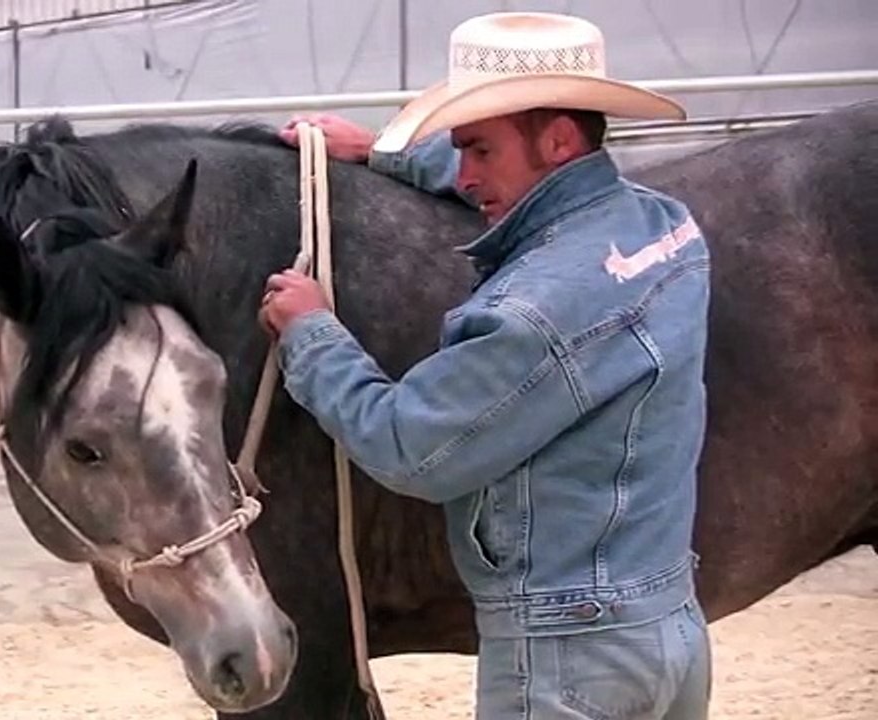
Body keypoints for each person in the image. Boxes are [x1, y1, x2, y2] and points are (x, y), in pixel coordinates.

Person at [259, 11, 714, 719]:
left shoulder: (530, 312)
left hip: (566, 660)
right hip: (667, 626)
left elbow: (410, 447)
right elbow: (534, 186)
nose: (465, 175)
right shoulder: (665, 229)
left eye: (478, 150)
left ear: (559, 138)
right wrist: (383, 149)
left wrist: (312, 332)